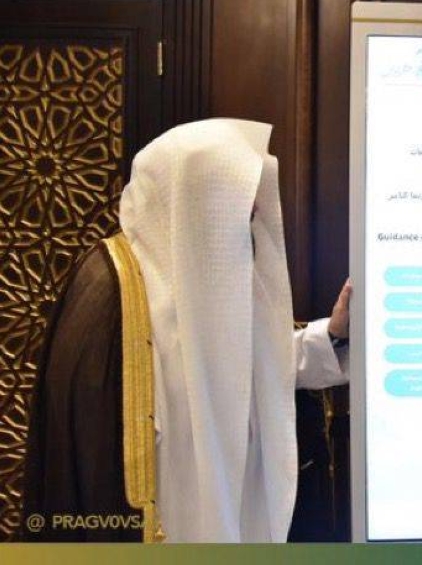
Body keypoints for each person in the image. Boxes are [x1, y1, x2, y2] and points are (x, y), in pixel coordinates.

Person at [23, 119, 351, 542]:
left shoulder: (217, 276)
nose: (249, 226)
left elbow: (247, 364)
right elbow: (90, 466)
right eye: (235, 211)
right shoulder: (112, 296)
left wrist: (332, 336)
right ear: (192, 204)